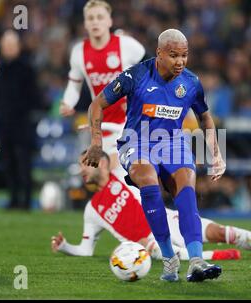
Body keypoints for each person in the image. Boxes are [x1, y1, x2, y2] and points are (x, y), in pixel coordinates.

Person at [84, 29, 227, 282]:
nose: (180, 61)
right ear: (159, 53)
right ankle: (170, 258)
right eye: (174, 55)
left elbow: (205, 117)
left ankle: (196, 260)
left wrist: (216, 154)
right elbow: (97, 104)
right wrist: (96, 142)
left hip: (173, 143)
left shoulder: (191, 83)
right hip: (137, 142)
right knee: (149, 181)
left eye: (184, 55)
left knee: (186, 189)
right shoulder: (136, 75)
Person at [51, 151, 251, 262]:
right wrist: (65, 247)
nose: (82, 170)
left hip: (171, 219)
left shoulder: (123, 173)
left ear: (103, 163)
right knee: (163, 252)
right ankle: (212, 257)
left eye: (86, 163)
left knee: (222, 232)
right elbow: (86, 250)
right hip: (148, 242)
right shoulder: (92, 210)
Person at [60, 0, 146, 172]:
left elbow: (153, 71)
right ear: (85, 23)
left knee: (121, 174)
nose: (95, 22)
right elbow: (74, 84)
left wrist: (138, 96)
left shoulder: (127, 45)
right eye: (90, 18)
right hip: (101, 126)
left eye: (100, 17)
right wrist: (68, 102)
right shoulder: (79, 52)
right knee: (103, 178)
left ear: (109, 21)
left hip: (130, 123)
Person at [0, 30, 41, 210]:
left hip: (22, 126)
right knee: (9, 164)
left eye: (11, 45)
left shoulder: (27, 68)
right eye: (5, 45)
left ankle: (26, 201)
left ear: (18, 47)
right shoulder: (0, 68)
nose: (8, 48)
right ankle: (13, 199)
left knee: (23, 165)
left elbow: (36, 98)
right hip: (4, 126)